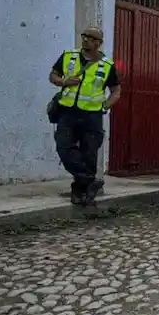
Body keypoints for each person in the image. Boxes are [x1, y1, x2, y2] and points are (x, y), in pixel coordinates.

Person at [48, 26, 121, 206]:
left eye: (90, 37)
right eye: (84, 36)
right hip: (68, 112)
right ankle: (89, 180)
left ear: (98, 43)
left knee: (89, 153)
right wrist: (63, 81)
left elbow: (116, 90)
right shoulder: (68, 56)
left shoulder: (107, 65)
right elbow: (53, 76)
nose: (85, 39)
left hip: (92, 115)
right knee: (63, 148)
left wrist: (105, 105)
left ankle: (80, 192)